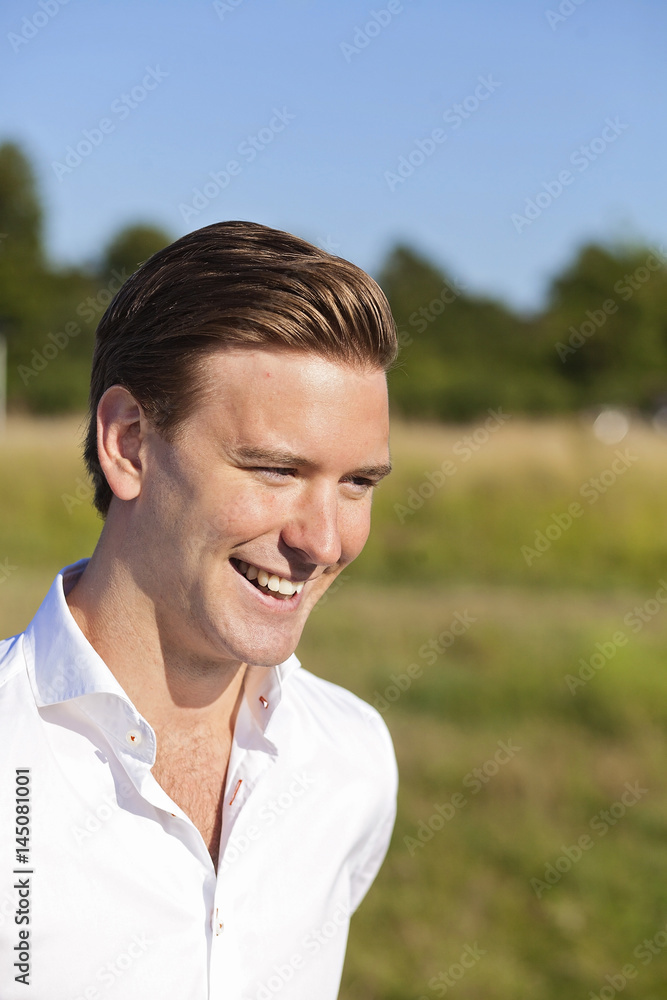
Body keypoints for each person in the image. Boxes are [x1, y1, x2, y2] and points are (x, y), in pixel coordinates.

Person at [0, 221, 399, 999]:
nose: (324, 541)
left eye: (357, 483)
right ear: (129, 443)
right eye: (275, 469)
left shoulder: (351, 761)